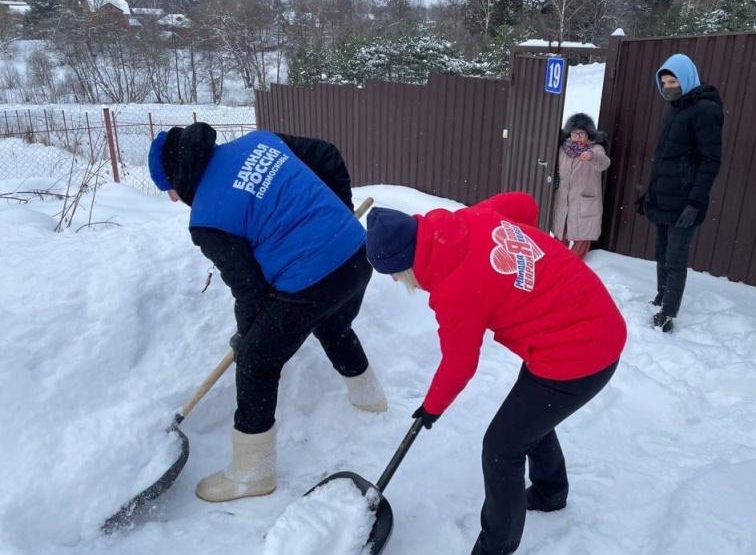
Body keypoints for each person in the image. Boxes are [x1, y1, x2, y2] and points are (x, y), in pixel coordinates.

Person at [365, 192, 627, 555]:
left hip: (580, 352)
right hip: (584, 321)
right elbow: (523, 203)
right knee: (530, 419)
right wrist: (523, 275)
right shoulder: (467, 221)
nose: (395, 282)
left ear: (405, 263)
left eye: (394, 273)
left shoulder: (455, 289)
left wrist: (431, 407)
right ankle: (551, 493)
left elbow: (459, 365)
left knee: (501, 448)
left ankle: (495, 548)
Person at [148, 122, 388, 502]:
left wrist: (248, 338)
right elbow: (327, 153)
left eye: (170, 190)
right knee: (332, 322)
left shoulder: (207, 217)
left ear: (177, 176)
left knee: (257, 361)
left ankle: (252, 474)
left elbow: (249, 290)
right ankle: (371, 400)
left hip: (314, 278)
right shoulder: (260, 141)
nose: (174, 199)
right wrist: (339, 213)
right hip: (358, 256)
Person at [636, 53, 723, 333]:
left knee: (676, 258)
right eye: (664, 82)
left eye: (673, 81)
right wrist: (649, 194)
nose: (668, 87)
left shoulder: (705, 110)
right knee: (662, 252)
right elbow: (665, 159)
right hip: (664, 196)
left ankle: (668, 312)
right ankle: (662, 295)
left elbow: (710, 162)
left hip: (685, 200)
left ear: (686, 79)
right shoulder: (676, 108)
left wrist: (695, 203)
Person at [551, 113, 611, 259]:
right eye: (574, 132)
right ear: (569, 134)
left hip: (584, 203)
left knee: (582, 238)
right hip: (564, 202)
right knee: (560, 236)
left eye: (581, 133)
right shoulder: (561, 149)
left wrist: (591, 156)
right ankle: (557, 266)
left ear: (588, 135)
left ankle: (574, 270)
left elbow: (604, 162)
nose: (577, 136)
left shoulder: (595, 149)